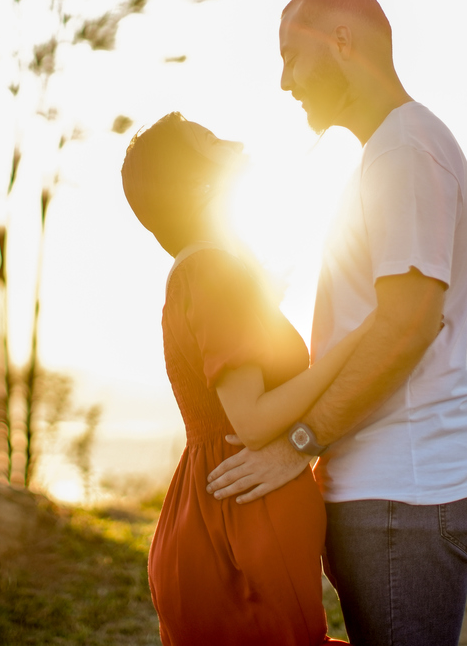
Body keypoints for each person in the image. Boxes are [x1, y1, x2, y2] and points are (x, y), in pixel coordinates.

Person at [206, 0, 467, 646]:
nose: (284, 81)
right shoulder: (393, 150)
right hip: (392, 484)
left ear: (342, 41)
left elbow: (408, 323)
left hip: (408, 487)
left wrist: (299, 445)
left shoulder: (405, 151)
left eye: (291, 55)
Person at [121, 112, 357, 646]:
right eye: (208, 141)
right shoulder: (211, 273)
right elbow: (250, 421)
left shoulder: (198, 270)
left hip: (208, 510)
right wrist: (347, 353)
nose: (234, 143)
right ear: (194, 182)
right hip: (244, 517)